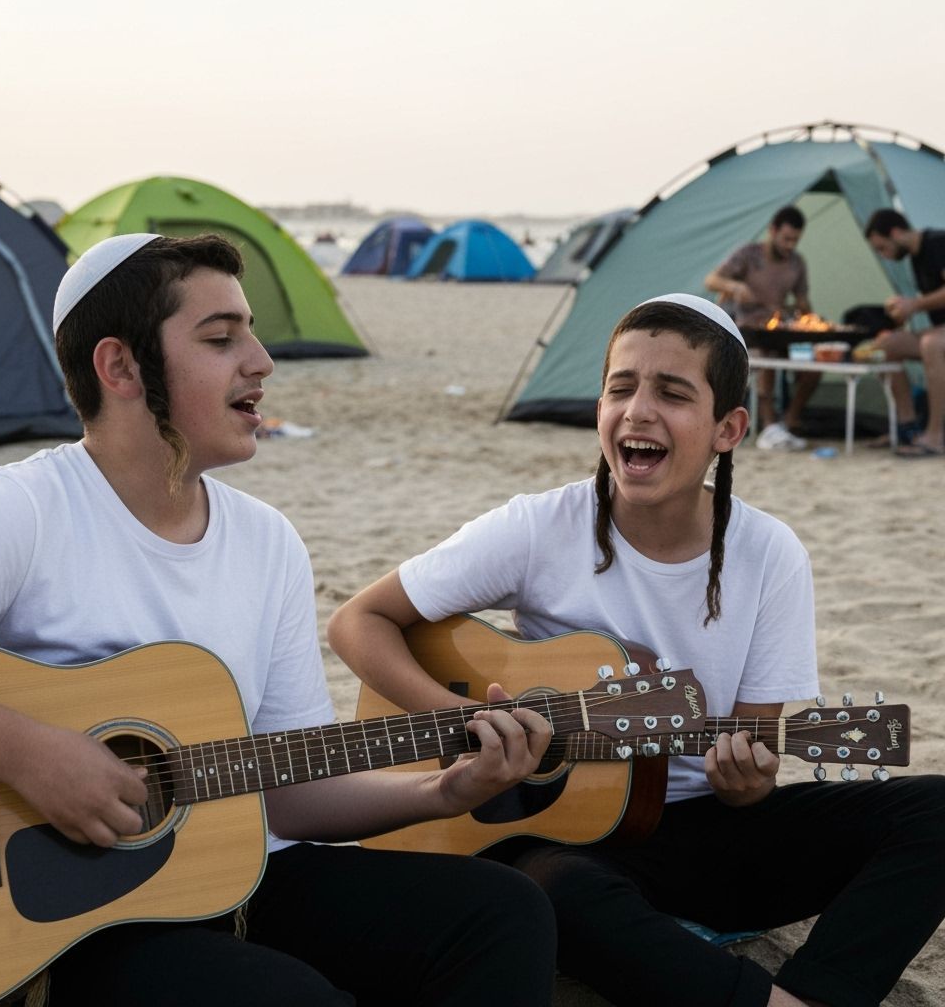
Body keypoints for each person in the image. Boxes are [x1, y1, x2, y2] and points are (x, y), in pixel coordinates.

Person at [0, 233, 560, 1006]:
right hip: (78, 917)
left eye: (251, 332)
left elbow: (285, 791)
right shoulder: (21, 511)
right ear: (119, 367)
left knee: (502, 911)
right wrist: (32, 758)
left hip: (243, 873)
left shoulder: (267, 542)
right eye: (221, 338)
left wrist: (440, 795)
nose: (260, 360)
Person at [328, 293, 945, 1007]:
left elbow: (749, 779)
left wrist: (746, 781)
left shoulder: (769, 554)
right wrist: (464, 724)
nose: (639, 410)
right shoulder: (539, 527)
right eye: (621, 388)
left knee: (934, 814)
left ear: (728, 429)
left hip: (702, 832)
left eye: (672, 393)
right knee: (548, 890)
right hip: (561, 836)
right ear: (598, 413)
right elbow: (358, 621)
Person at [705, 205, 817, 451]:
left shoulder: (797, 263)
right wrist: (735, 288)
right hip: (745, 329)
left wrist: (807, 314)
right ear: (772, 230)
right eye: (786, 239)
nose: (790, 245)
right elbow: (712, 280)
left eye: (795, 240)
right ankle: (769, 426)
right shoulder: (748, 255)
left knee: (814, 363)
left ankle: (787, 421)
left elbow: (802, 301)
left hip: (779, 327)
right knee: (766, 356)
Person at [864, 208, 945, 457]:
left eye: (882, 248)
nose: (884, 256)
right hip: (939, 330)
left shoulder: (938, 243)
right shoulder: (916, 256)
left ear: (896, 232)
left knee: (931, 344)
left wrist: (915, 305)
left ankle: (935, 435)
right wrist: (904, 309)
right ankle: (906, 426)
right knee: (883, 346)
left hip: (938, 336)